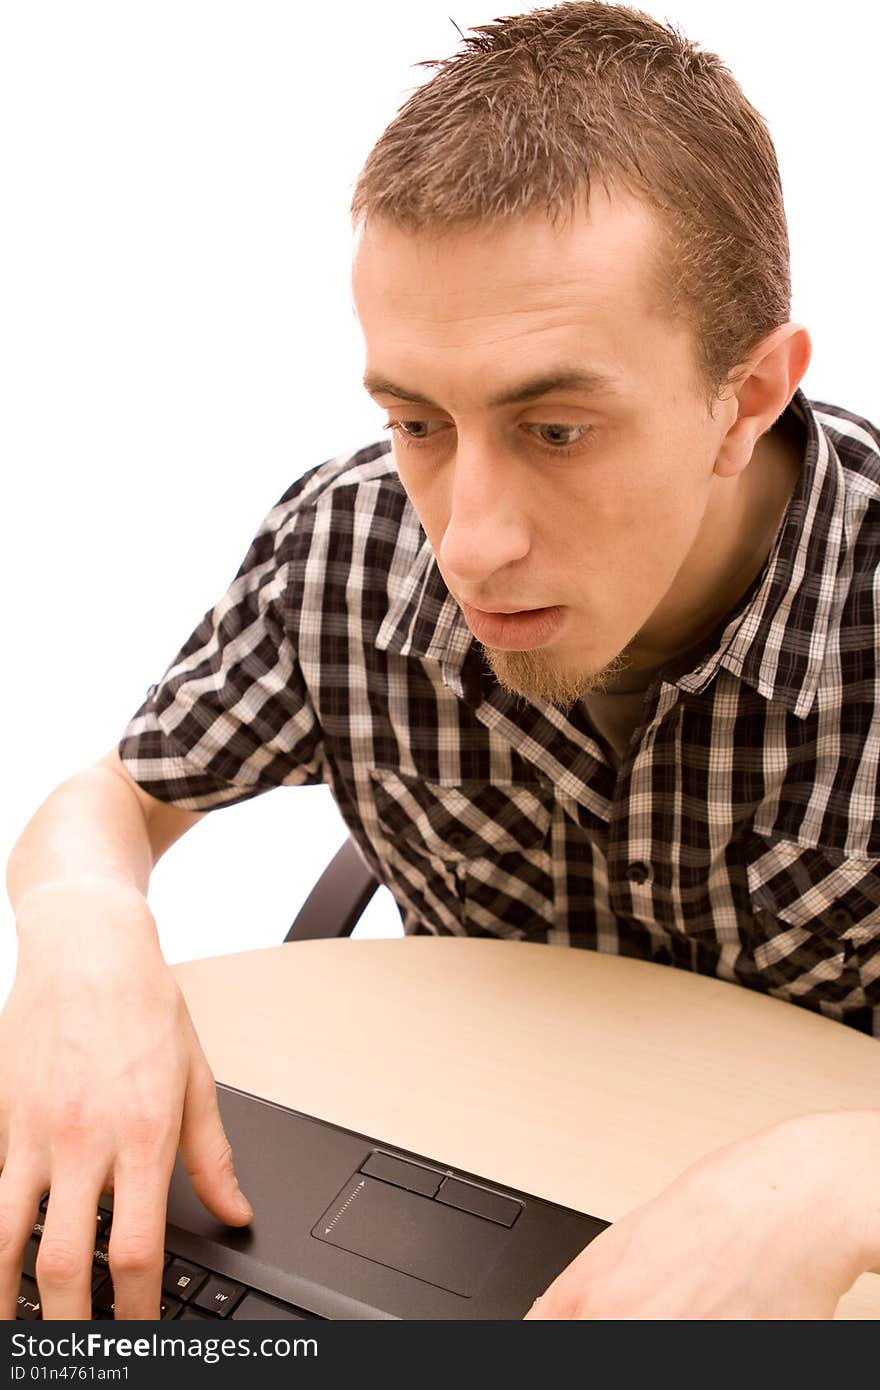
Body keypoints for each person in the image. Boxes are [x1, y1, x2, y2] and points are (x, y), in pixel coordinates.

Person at [4, 0, 880, 1322]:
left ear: (748, 396)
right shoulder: (348, 544)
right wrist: (82, 929)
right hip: (458, 1207)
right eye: (418, 418)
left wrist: (837, 1177)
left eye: (559, 428)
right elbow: (114, 799)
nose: (466, 542)